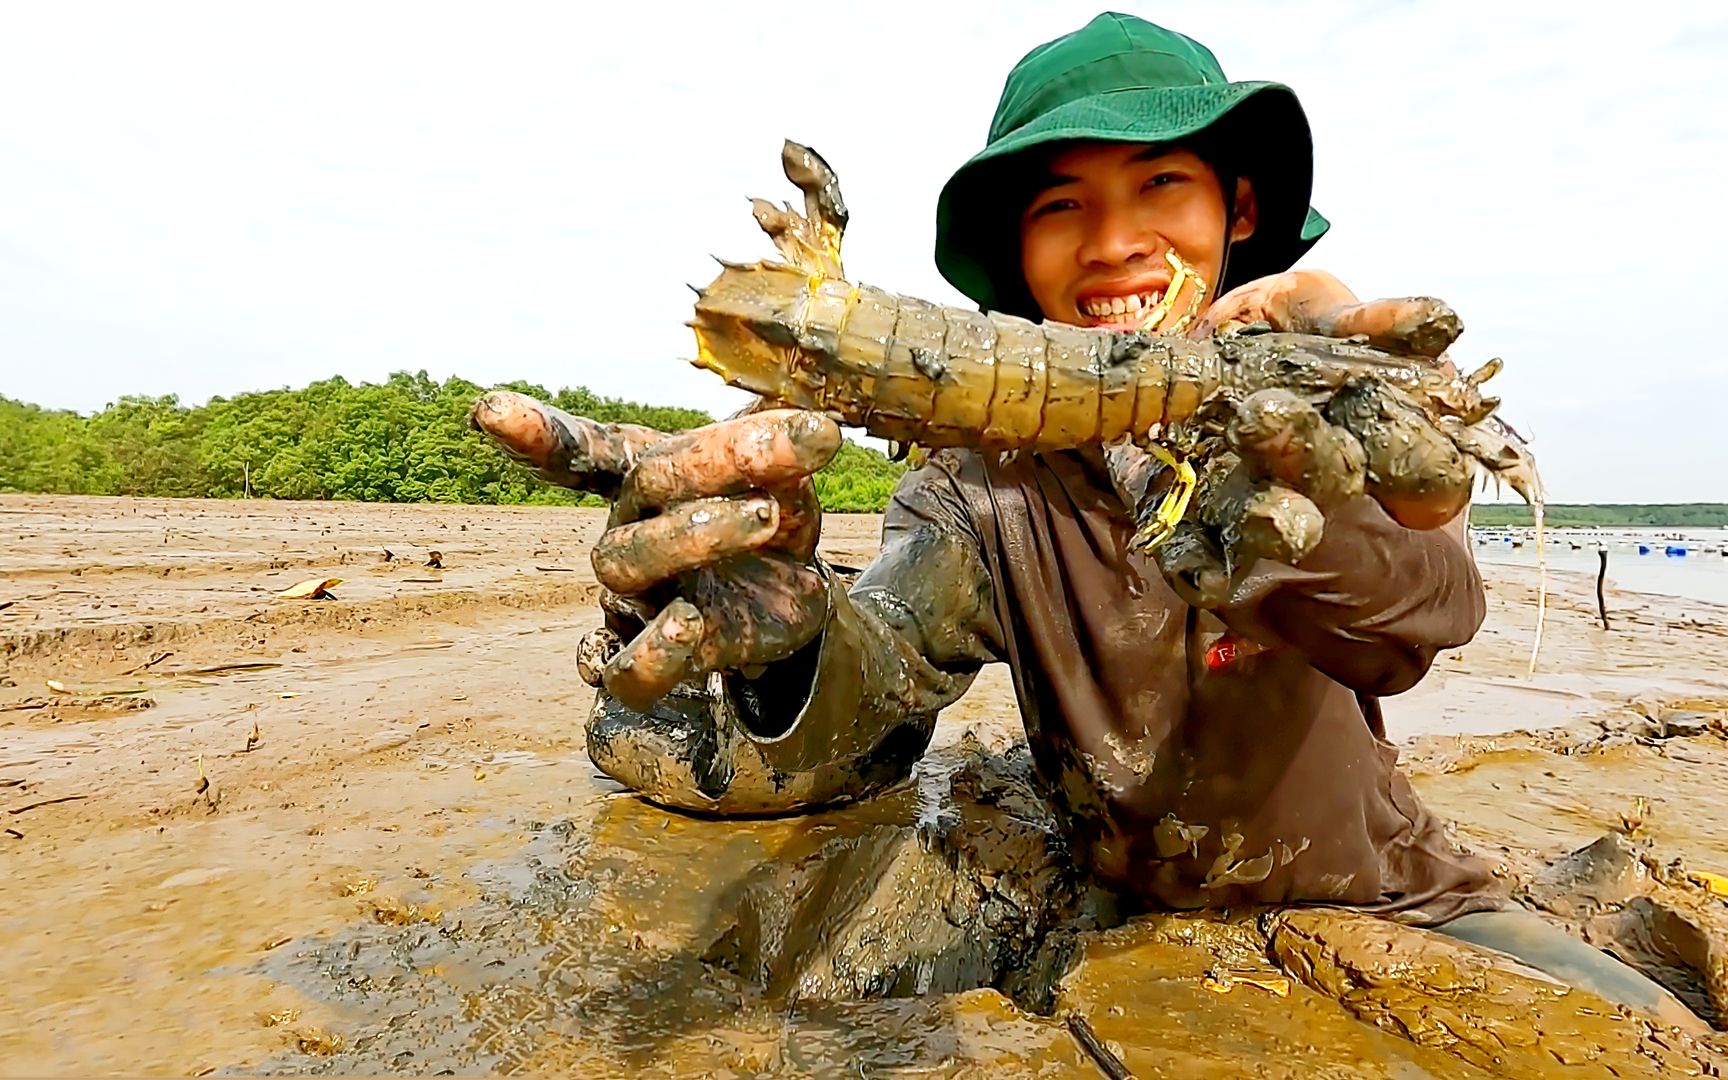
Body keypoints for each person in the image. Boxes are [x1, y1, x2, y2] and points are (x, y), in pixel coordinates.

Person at [473, 12, 1704, 1031]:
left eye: (1160, 185)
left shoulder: (1328, 392)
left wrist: (1311, 479)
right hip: (1114, 901)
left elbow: (1420, 615)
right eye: (1062, 205)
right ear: (1017, 254)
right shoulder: (983, 485)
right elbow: (879, 675)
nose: (1114, 243)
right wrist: (782, 644)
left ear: (1237, 214)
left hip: (1392, 892)